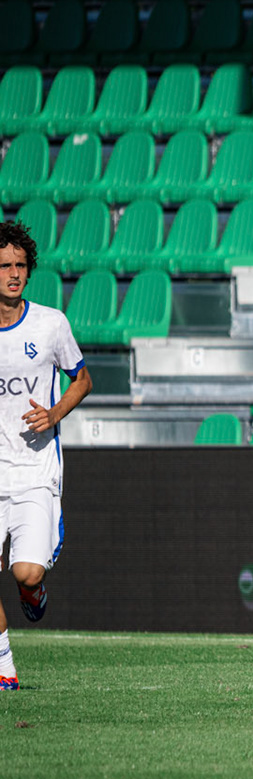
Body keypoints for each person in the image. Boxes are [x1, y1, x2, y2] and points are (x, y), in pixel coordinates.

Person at [0, 221, 91, 690]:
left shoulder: (50, 323)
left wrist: (54, 414)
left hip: (35, 470)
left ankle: (31, 592)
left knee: (26, 570)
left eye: (20, 266)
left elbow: (83, 379)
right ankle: (5, 670)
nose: (14, 274)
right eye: (5, 266)